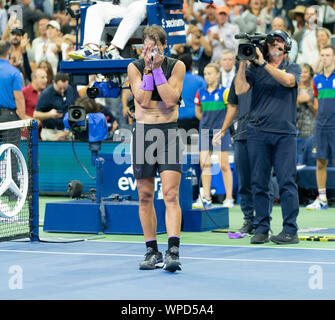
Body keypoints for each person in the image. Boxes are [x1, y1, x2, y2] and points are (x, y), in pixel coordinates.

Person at [234, 29, 301, 244]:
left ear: (286, 46)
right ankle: (262, 228)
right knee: (259, 182)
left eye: (279, 41)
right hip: (258, 132)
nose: (274, 44)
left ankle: (290, 229)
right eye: (272, 41)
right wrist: (244, 62)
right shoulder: (254, 67)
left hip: (284, 133)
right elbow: (240, 89)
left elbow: (288, 81)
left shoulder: (293, 67)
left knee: (286, 182)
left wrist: (263, 64)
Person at [127, 25, 185, 272]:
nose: (148, 51)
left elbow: (170, 98)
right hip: (143, 133)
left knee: (171, 195)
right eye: (145, 47)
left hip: (169, 132)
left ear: (163, 46)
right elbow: (141, 99)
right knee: (145, 195)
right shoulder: (134, 67)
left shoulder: (177, 66)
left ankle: (173, 250)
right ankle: (152, 251)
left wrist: (157, 69)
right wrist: (149, 69)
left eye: (154, 47)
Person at [212, 73, 274, 234]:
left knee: (263, 181)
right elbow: (232, 106)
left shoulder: (267, 75)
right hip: (242, 135)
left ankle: (264, 221)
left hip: (263, 134)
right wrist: (224, 129)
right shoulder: (237, 79)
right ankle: (248, 219)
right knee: (244, 182)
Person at [192, 62, 234, 209]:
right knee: (205, 165)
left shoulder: (225, 91)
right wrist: (206, 123)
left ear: (217, 74)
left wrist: (222, 128)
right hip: (205, 132)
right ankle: (206, 197)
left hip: (221, 132)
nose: (207, 76)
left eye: (210, 73)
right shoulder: (200, 92)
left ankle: (229, 198)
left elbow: (231, 111)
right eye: (205, 74)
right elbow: (198, 112)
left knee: (224, 165)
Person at [306, 45, 335, 210]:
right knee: (320, 162)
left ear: (334, 57)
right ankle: (322, 198)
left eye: (328, 55)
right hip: (321, 127)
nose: (325, 58)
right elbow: (317, 102)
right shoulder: (316, 79)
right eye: (322, 55)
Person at [69, 0, 147, 60]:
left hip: (139, 4)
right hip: (120, 6)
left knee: (140, 7)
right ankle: (91, 49)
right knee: (94, 9)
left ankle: (113, 49)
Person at [0, 40, 29, 192]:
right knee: (11, 151)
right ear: (9, 52)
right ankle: (12, 191)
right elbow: (18, 97)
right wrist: (23, 119)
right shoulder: (13, 72)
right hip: (8, 117)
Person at [33, 73, 79, 141]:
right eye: (60, 88)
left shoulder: (69, 89)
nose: (62, 91)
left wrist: (67, 131)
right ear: (54, 82)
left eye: (64, 88)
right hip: (50, 132)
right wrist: (49, 115)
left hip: (66, 131)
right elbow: (35, 114)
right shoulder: (46, 94)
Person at [177, 53, 206, 134]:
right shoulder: (199, 80)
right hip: (196, 120)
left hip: (178, 122)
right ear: (191, 66)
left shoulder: (173, 81)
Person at [296, 63, 316, 139]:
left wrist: (308, 101)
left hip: (310, 128)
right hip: (296, 128)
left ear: (310, 74)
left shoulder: (314, 90)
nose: (303, 74)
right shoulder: (293, 88)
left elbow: (316, 111)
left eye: (305, 72)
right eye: (301, 72)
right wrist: (298, 100)